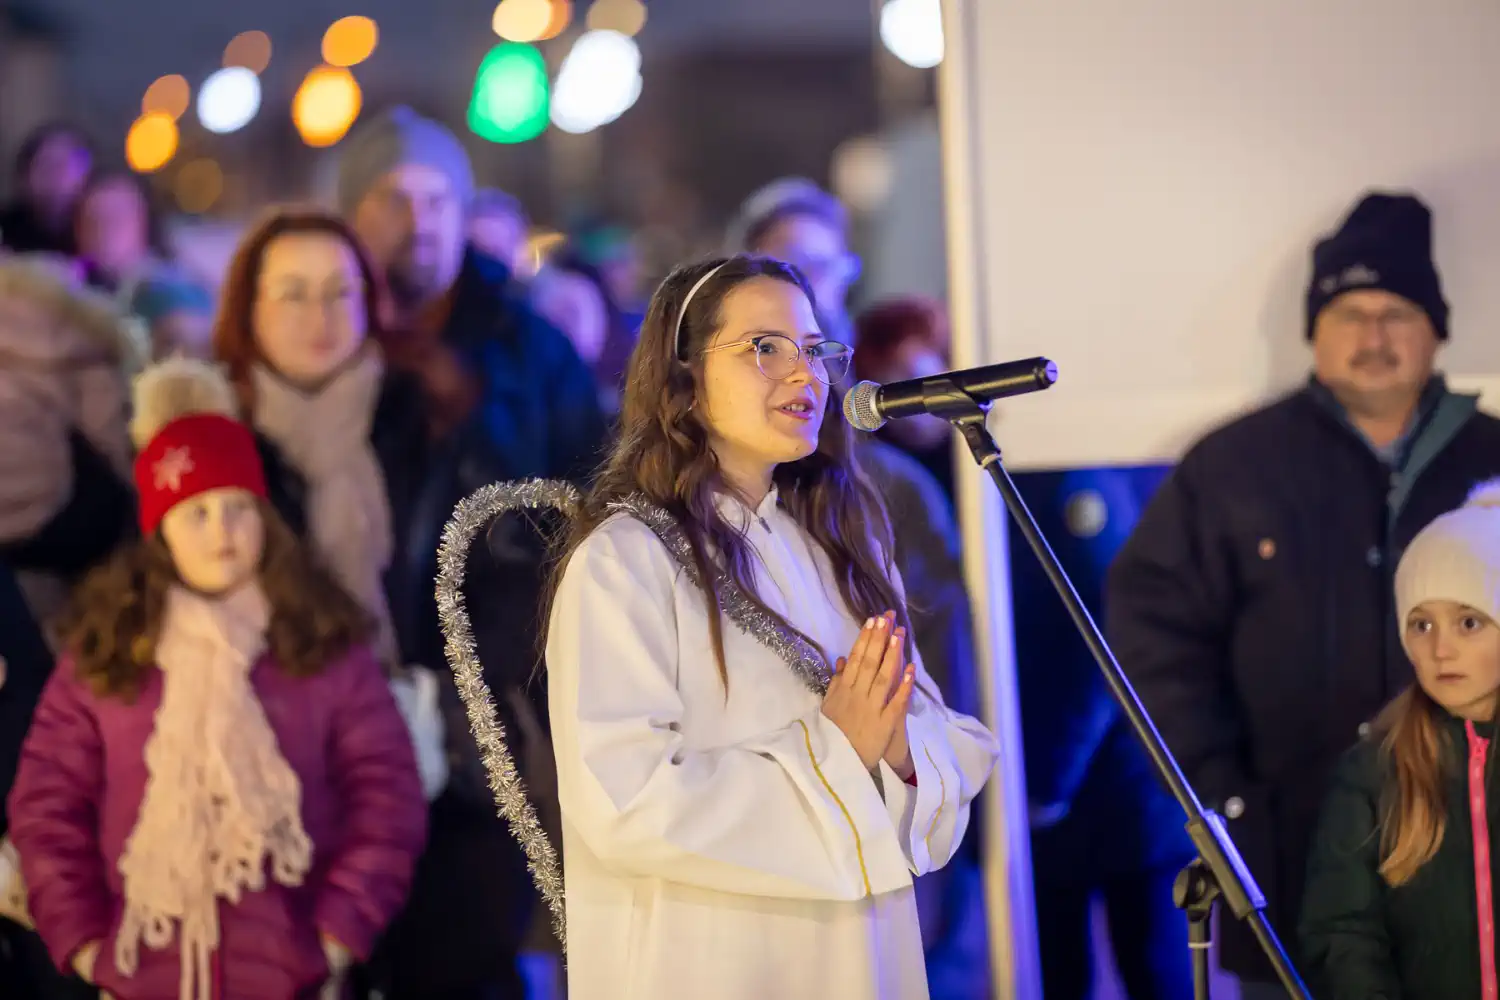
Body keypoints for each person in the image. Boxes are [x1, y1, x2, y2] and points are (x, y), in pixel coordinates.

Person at [543, 254, 999, 1000]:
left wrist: (900, 756)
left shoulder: (839, 544)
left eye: (815, 348)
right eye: (765, 347)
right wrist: (836, 753)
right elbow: (623, 800)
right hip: (715, 960)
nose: (805, 373)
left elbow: (939, 732)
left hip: (862, 954)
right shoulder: (626, 560)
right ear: (683, 383)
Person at [1106, 189, 1500, 996]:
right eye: (1350, 311)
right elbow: (1150, 636)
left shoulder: (1490, 459)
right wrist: (1222, 801)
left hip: (1481, 879)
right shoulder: (1230, 467)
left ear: (1438, 329)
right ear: (1312, 330)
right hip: (1285, 872)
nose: (1373, 335)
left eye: (1396, 310)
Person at [6, 356, 427, 999]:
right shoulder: (107, 657)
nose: (222, 533)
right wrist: (85, 942)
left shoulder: (320, 645)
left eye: (238, 508)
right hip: (139, 971)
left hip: (291, 975)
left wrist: (338, 932)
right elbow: (47, 803)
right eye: (194, 513)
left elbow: (386, 793)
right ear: (160, 530)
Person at [337, 107, 607, 999]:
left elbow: (590, 507)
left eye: (438, 198)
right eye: (393, 196)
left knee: (470, 962)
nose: (420, 220)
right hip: (340, 710)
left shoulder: (530, 353)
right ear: (353, 211)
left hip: (485, 722)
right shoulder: (323, 348)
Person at [1300, 480, 1500, 999]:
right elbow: (1343, 932)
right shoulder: (1372, 771)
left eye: (1469, 622)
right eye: (1420, 624)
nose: (1441, 649)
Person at [0, 124, 92, 256]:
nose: (58, 175)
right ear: (24, 176)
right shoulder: (5, 229)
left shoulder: (102, 233)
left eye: (68, 165)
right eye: (46, 164)